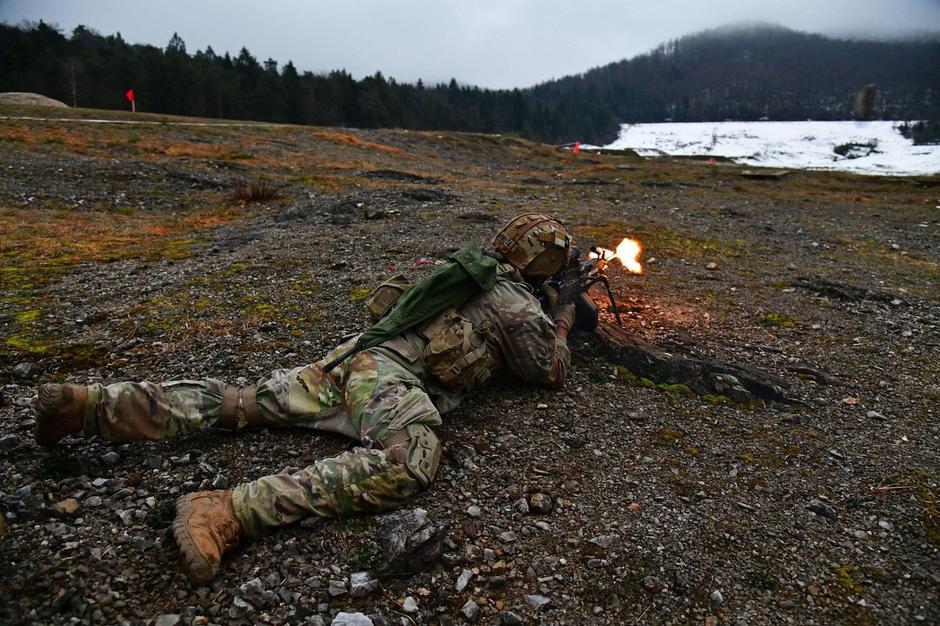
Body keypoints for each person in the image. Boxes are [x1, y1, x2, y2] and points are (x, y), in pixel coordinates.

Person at [33, 213, 578, 585]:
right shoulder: (516, 304)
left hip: (347, 360)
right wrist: (564, 318)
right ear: (545, 266)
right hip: (385, 382)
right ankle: (225, 511)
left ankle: (89, 405)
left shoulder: (455, 268)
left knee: (239, 403)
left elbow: (381, 303)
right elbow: (549, 371)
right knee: (410, 459)